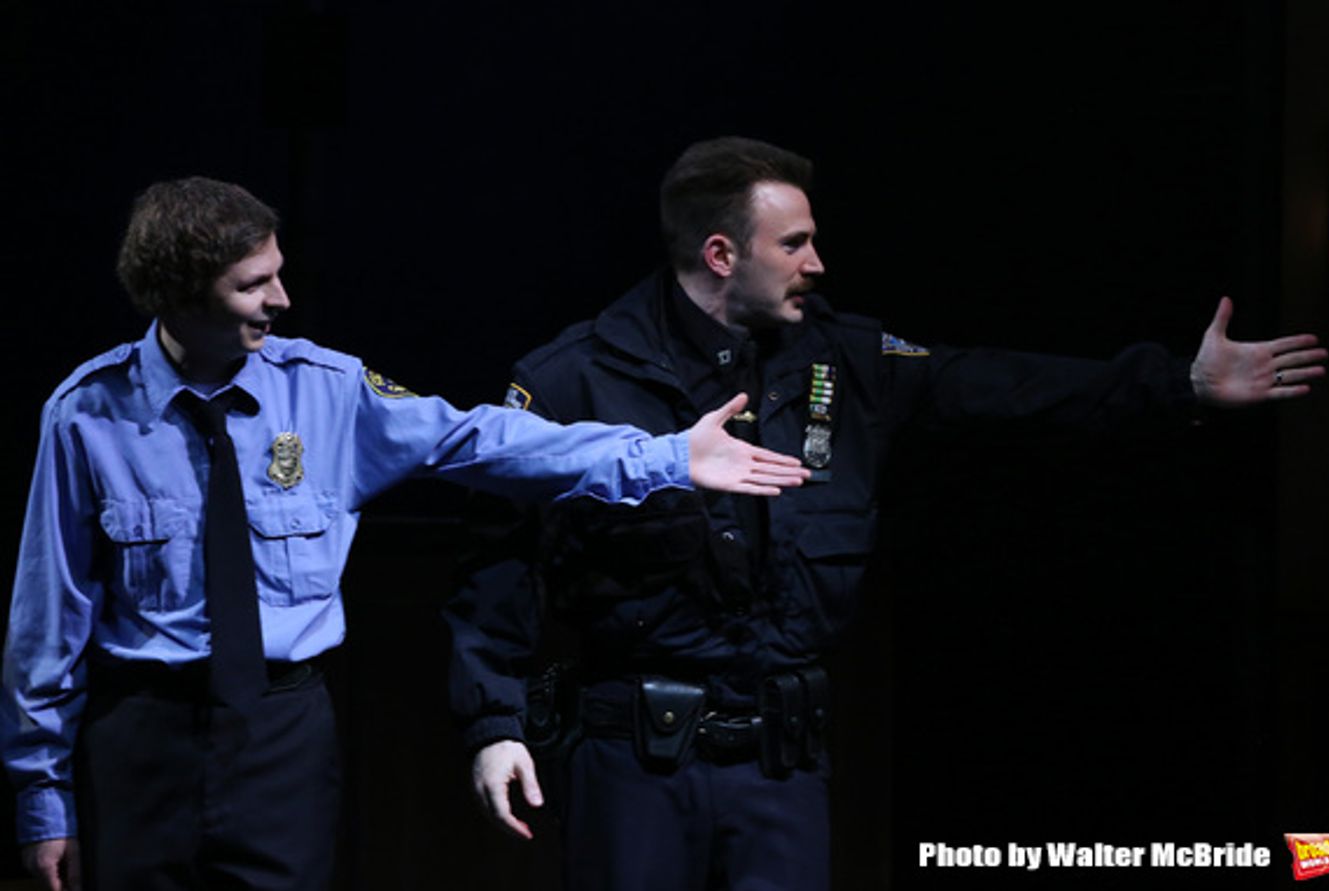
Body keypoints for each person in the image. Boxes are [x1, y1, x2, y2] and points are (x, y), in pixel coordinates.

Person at [452, 137, 1328, 890]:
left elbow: (997, 388)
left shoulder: (841, 359)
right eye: (794, 243)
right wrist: (494, 723)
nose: (817, 263)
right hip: (633, 768)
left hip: (781, 765)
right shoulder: (574, 379)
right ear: (721, 254)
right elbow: (499, 561)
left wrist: (1179, 384)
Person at [0, 175, 808, 891]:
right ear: (180, 295)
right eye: (253, 284)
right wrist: (44, 800)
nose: (281, 298)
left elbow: (484, 440)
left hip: (280, 735)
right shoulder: (87, 414)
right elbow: (48, 621)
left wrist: (664, 456)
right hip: (140, 737)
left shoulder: (326, 389)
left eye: (278, 271)